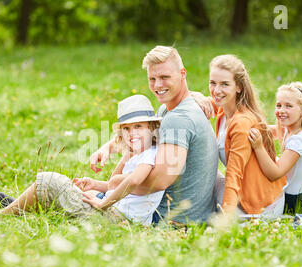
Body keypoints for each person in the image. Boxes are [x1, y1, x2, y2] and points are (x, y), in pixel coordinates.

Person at [89, 46, 218, 226]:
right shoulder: (168, 109)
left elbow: (159, 181)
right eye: (152, 79)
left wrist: (112, 185)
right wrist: (109, 147)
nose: (158, 85)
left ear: (182, 73)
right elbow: (143, 136)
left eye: (165, 77)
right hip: (163, 211)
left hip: (168, 219)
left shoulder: (178, 118)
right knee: (78, 191)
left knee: (49, 185)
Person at [0, 94, 164, 226]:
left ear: (152, 128)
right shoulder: (138, 153)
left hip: (116, 219)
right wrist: (96, 184)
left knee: (51, 181)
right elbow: (114, 183)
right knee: (78, 192)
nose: (132, 133)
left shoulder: (149, 155)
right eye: (126, 129)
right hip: (114, 212)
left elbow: (133, 181)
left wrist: (103, 203)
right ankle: (17, 207)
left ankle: (0, 216)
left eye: (138, 126)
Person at [194, 54, 287, 220]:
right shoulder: (224, 108)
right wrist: (196, 96)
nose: (216, 90)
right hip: (244, 190)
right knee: (204, 176)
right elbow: (207, 102)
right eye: (212, 83)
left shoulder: (241, 123)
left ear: (238, 87)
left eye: (224, 84)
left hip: (261, 204)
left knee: (210, 207)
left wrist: (226, 218)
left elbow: (233, 174)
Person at [248, 81, 302, 213]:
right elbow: (269, 130)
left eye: (288, 106)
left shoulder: (299, 140)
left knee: (259, 169)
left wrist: (258, 147)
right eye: (279, 105)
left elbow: (274, 174)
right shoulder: (292, 128)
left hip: (297, 198)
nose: (281, 110)